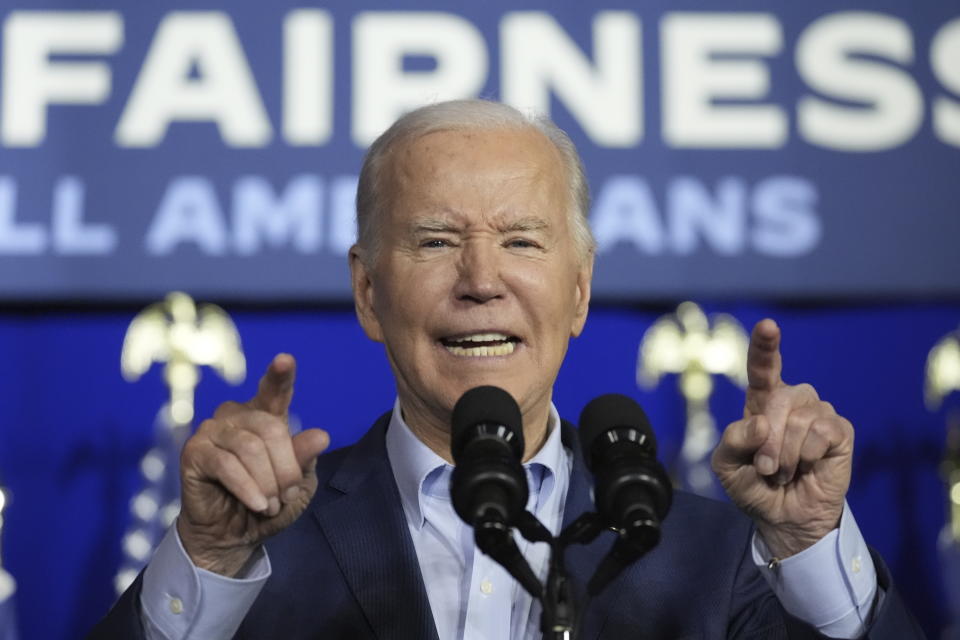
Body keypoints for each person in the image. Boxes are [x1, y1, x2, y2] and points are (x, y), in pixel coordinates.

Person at [90, 100, 923, 639]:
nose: (482, 280)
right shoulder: (258, 545)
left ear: (580, 290)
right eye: (436, 241)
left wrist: (810, 542)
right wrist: (205, 562)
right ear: (368, 291)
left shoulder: (708, 555)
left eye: (522, 241)